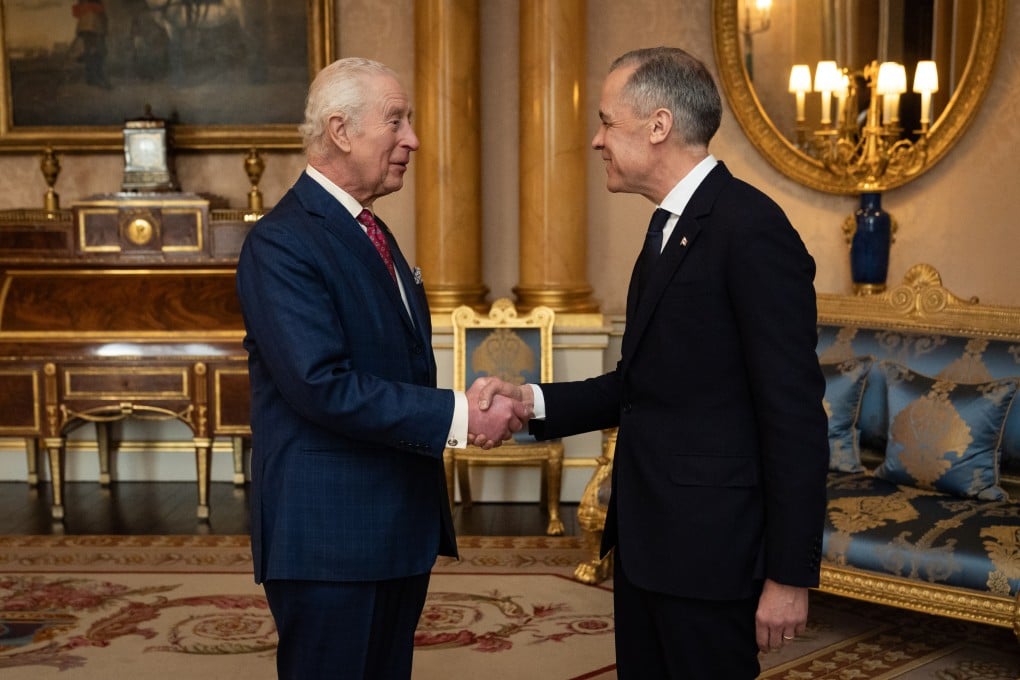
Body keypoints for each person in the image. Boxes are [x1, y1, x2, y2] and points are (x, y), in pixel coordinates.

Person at [477, 47, 829, 678]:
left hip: (711, 553)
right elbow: (641, 386)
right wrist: (529, 402)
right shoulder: (668, 227)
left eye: (608, 122)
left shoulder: (750, 229)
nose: (595, 140)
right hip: (649, 542)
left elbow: (795, 414)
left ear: (659, 126)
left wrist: (788, 575)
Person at [235, 57, 527, 680]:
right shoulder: (283, 242)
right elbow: (322, 385)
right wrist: (458, 414)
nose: (412, 139)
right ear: (340, 131)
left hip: (393, 525)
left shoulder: (372, 231)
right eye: (396, 120)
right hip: (329, 538)